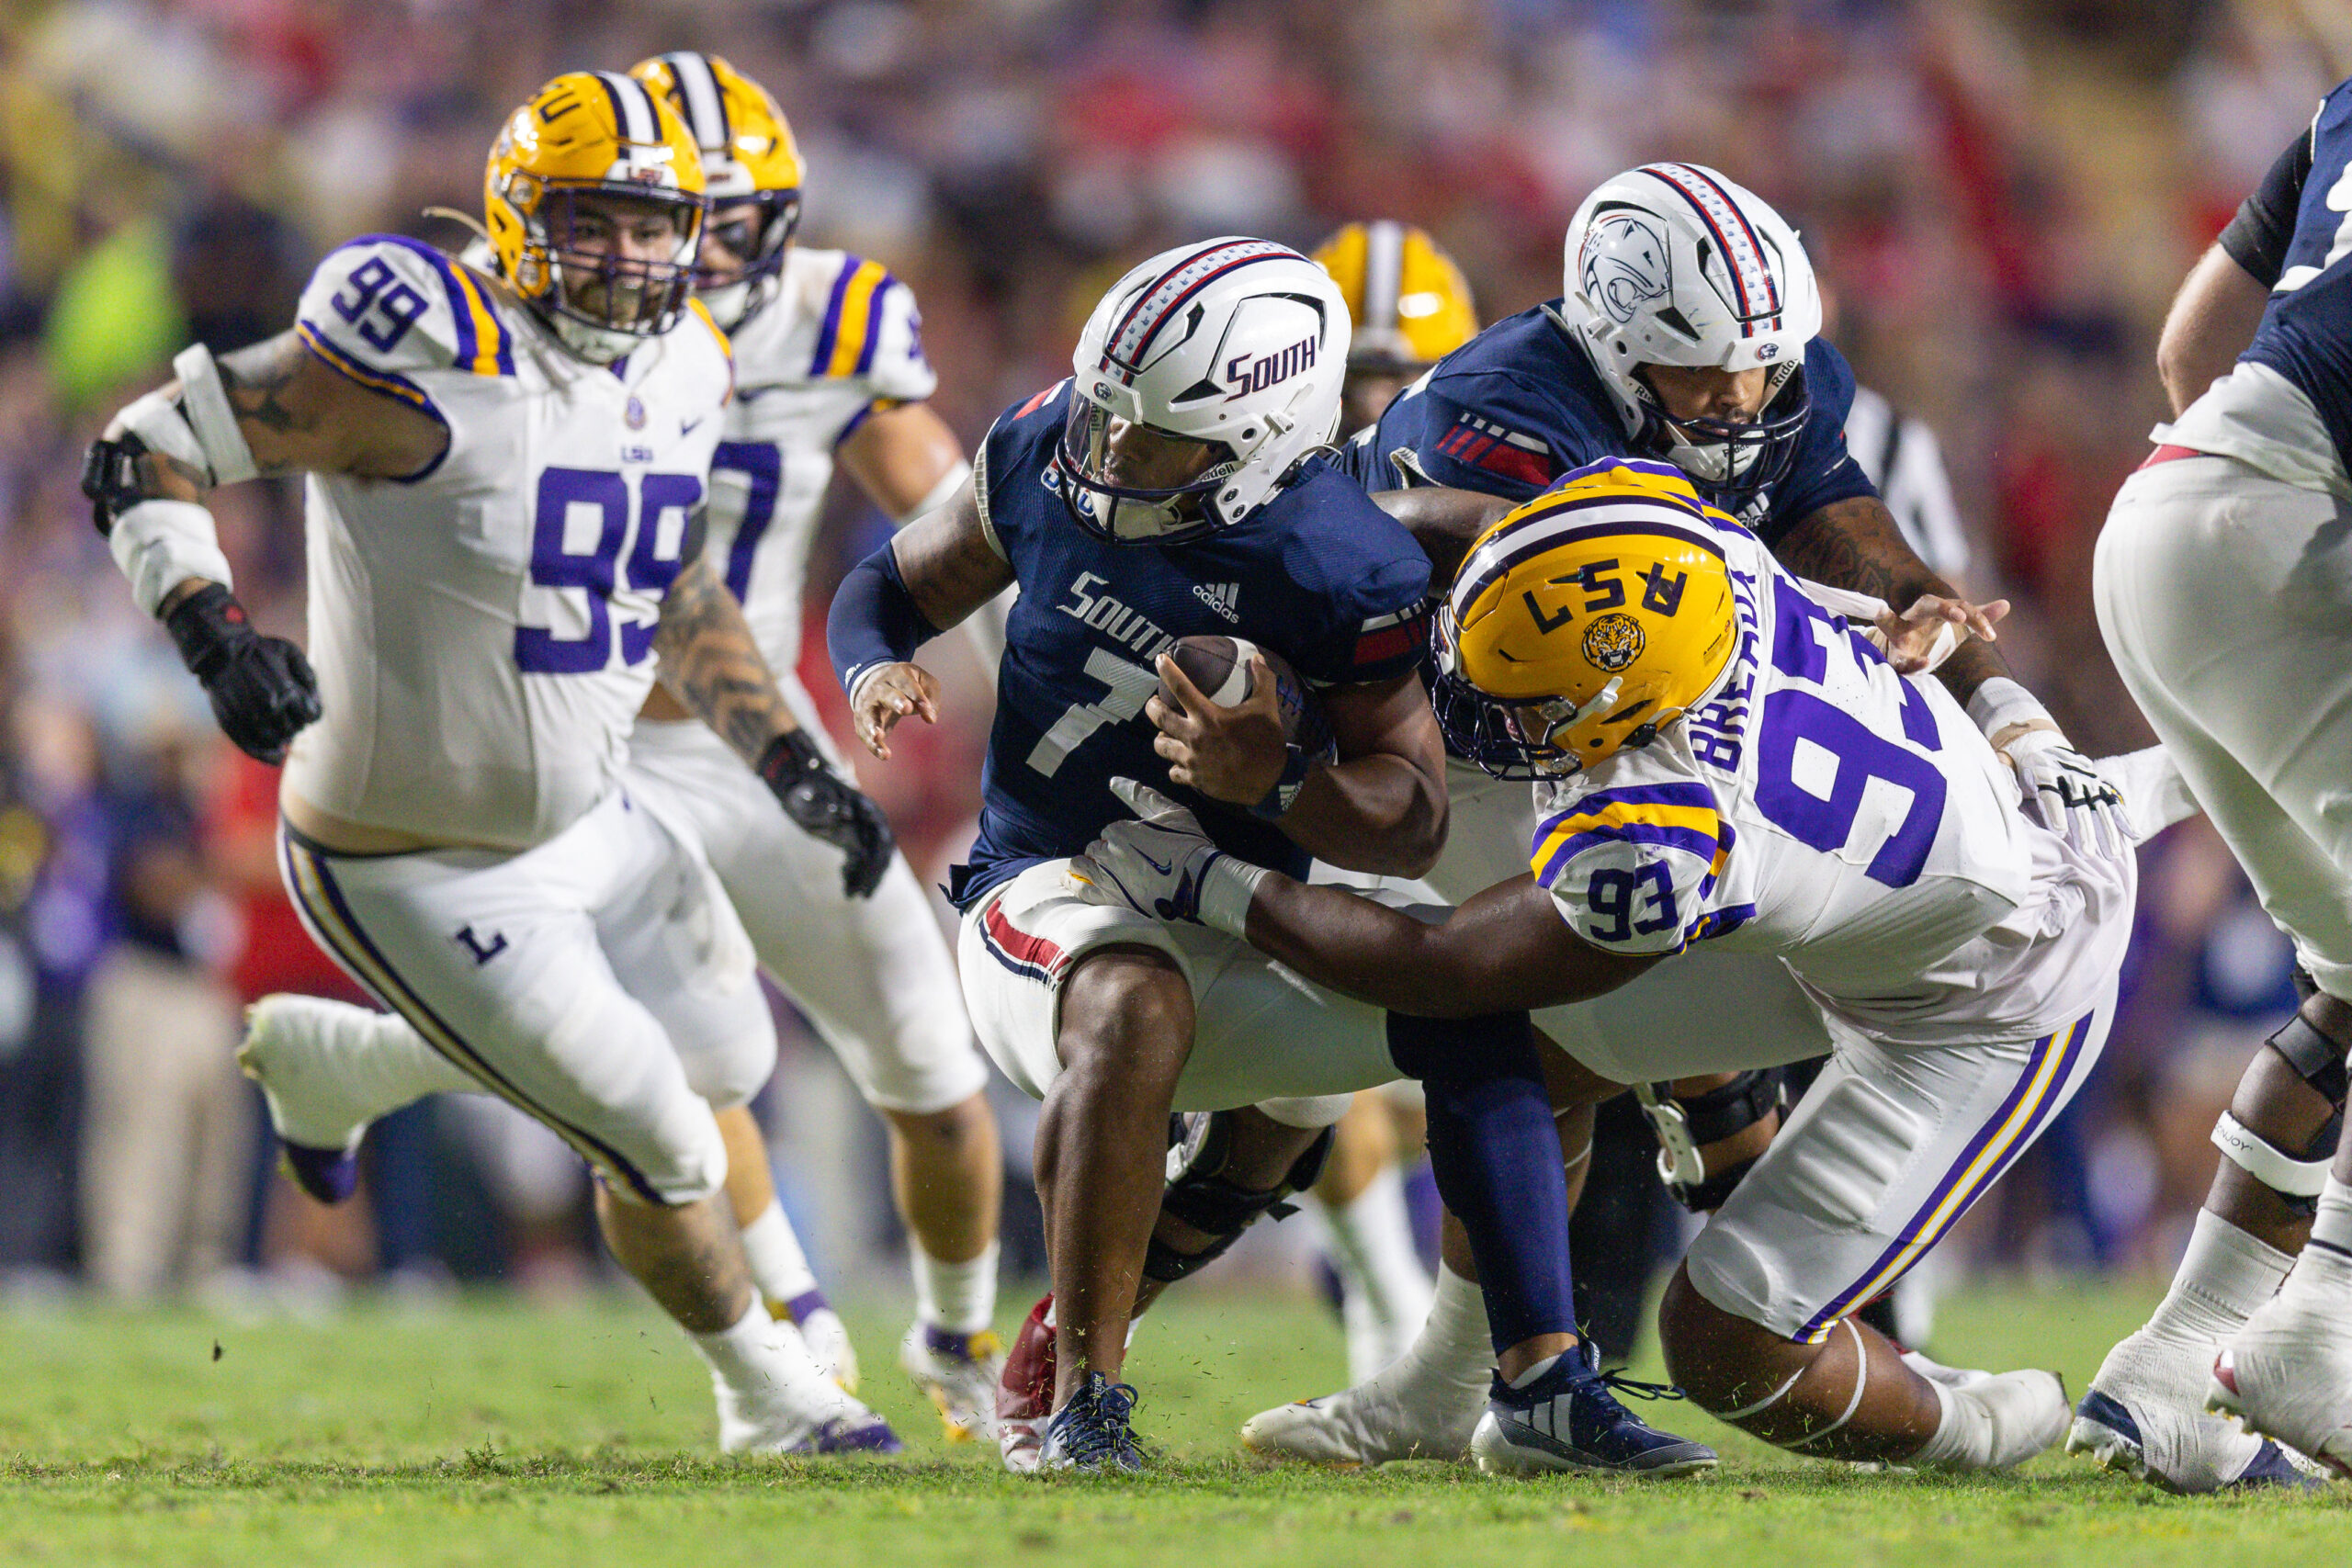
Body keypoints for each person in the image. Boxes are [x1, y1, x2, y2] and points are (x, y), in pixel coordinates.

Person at [82, 70, 901, 1454]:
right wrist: (215, 632)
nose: (633, 257)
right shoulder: (428, 354)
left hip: (595, 817)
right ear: (521, 218)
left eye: (656, 225)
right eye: (594, 222)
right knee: (664, 1132)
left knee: (731, 1052)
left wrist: (786, 758)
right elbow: (141, 450)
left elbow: (672, 580)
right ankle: (767, 1392)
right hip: (405, 850)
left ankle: (352, 1064)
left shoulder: (692, 360)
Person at [828, 238, 1713, 1477]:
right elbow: (886, 585)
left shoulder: (1337, 559)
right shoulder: (1050, 448)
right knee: (1133, 1000)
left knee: (1476, 999)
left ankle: (1541, 1386)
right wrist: (874, 664)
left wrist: (1278, 785)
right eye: (1109, 415)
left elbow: (1407, 816)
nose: (1109, 454)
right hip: (1054, 887)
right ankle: (1079, 1401)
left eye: (1154, 440)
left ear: (1256, 441)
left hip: (1235, 904)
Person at [1082, 457, 2161, 1471]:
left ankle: (1985, 1419)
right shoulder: (1674, 552)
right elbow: (1495, 530)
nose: (1489, 716)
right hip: (1868, 885)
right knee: (1543, 1052)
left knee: (1724, 1343)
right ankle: (1452, 1383)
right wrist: (1350, 556)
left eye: (1531, 704)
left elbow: (1444, 967)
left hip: (1994, 984)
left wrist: (1213, 877)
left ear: (1621, 712)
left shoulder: (1656, 834)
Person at [237, 49, 1012, 1440]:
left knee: (919, 1049)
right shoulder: (504, 334)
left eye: (707, 223)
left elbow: (949, 510)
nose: (677, 255)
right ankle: (788, 1335)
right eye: (647, 219)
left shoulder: (824, 318)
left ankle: (954, 1338)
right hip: (580, 738)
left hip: (744, 723)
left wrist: (1001, 658)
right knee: (664, 1061)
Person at [1244, 163, 2067, 1467]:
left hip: (1645, 744)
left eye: (1761, 368)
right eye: (1705, 376)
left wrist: (1975, 667)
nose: (1743, 402)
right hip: (1456, 747)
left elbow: (1835, 515)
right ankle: (1466, 1373)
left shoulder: (1769, 380)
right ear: (1617, 344)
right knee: (1489, 1000)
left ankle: (1461, 1380)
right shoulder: (1492, 420)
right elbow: (1458, 641)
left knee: (1567, 1029)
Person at [2080, 77, 2352, 1485]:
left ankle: (2177, 1360)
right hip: (2276, 523)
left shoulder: (2341, 106)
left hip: (2167, 509)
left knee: (2346, 977)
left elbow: (2192, 344)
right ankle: (2325, 1327)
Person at [1299, 219, 1483, 1382]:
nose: (1374, 405)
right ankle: (1388, 1306)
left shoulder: (1506, 474)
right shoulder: (1266, 484)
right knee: (1305, 1078)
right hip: (1328, 794)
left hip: (1465, 802)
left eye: (1398, 377)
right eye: (1351, 374)